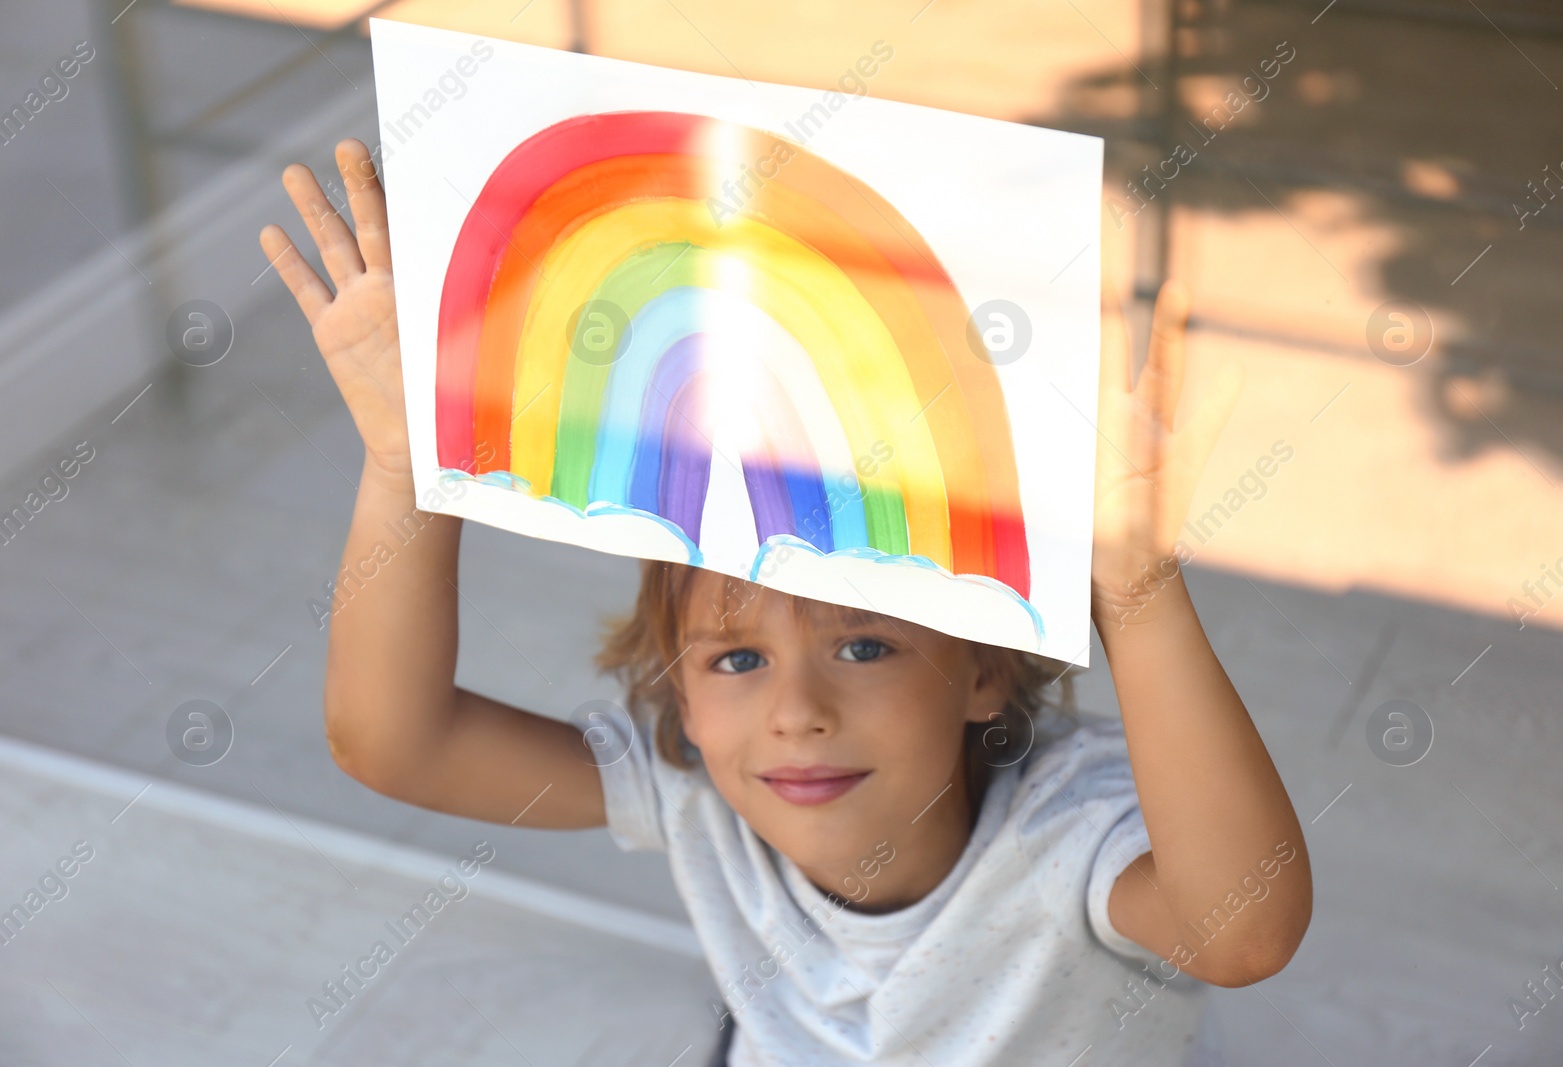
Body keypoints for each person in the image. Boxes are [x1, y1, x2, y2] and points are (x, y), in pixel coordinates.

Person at [260, 138, 1312, 1066]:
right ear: (677, 688)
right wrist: (406, 465)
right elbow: (392, 743)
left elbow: (1242, 931)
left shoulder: (1064, 830)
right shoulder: (696, 783)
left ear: (984, 668)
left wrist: (1132, 589)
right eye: (734, 658)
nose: (794, 709)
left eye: (862, 646)